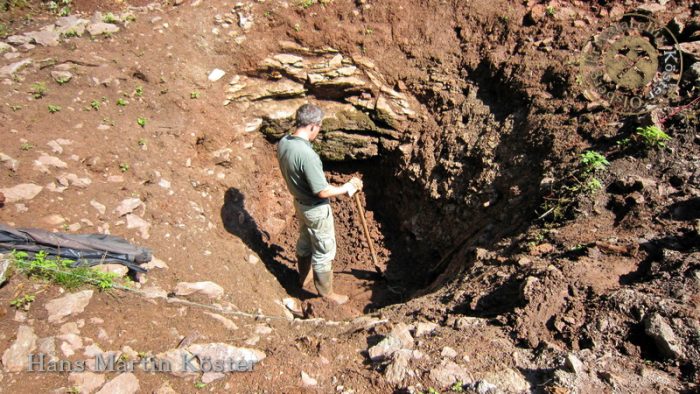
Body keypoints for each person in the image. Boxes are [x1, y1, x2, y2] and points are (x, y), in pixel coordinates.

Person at [277, 103, 363, 305]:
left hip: (299, 203)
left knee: (305, 240)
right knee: (324, 251)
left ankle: (302, 277)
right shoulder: (307, 155)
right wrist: (348, 187)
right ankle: (327, 295)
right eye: (320, 127)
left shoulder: (284, 142)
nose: (319, 131)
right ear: (313, 126)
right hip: (315, 208)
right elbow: (322, 190)